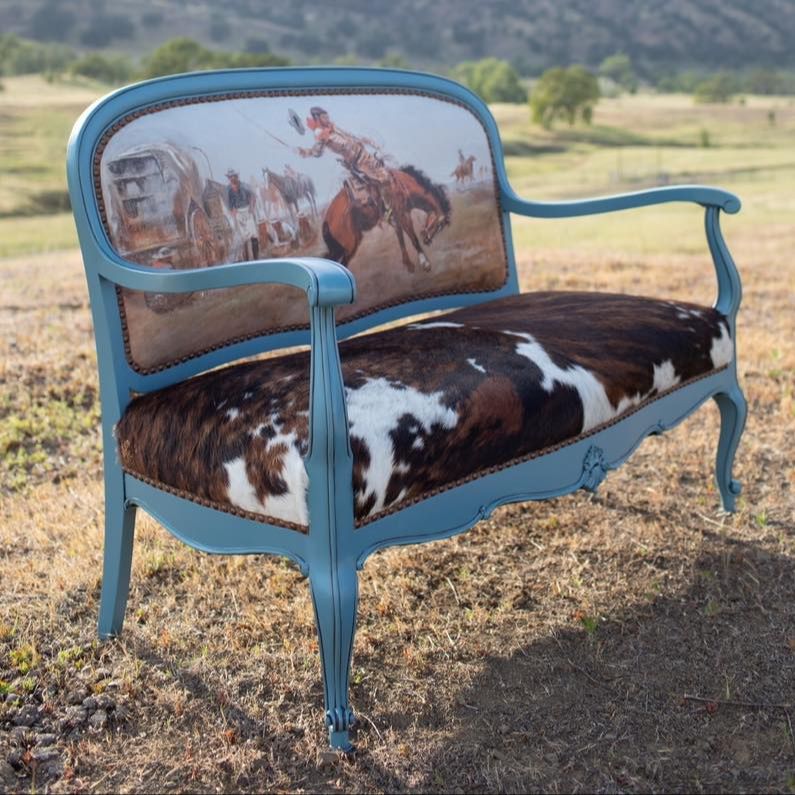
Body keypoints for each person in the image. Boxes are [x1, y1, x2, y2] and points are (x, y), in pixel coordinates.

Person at [297, 106, 396, 222]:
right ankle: (387, 211)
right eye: (324, 117)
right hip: (358, 162)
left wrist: (363, 140)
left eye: (327, 116)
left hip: (364, 154)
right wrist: (306, 152)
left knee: (390, 169)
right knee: (383, 178)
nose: (328, 118)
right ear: (317, 119)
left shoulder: (332, 127)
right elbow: (317, 152)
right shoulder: (322, 135)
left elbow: (349, 136)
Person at [225, 168, 259, 260]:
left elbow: (253, 197)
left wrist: (251, 207)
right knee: (243, 238)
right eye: (230, 177)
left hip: (247, 210)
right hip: (238, 213)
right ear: (229, 178)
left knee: (253, 235)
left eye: (234, 176)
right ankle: (247, 260)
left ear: (237, 177)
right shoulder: (228, 189)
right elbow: (228, 203)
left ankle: (256, 258)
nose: (232, 179)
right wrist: (232, 211)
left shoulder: (245, 186)